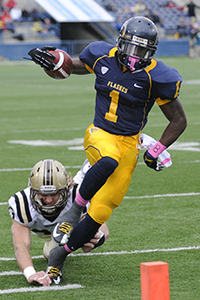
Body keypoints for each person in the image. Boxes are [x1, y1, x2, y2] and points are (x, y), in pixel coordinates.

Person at [27, 16, 187, 283]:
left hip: (129, 144)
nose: (135, 56)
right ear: (120, 42)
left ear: (152, 52)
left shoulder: (158, 77)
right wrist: (54, 61)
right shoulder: (101, 55)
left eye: (142, 51)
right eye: (131, 48)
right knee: (109, 159)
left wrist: (156, 149)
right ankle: (72, 212)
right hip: (100, 134)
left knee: (101, 212)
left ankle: (59, 258)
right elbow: (73, 67)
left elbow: (179, 120)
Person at [8, 159, 109, 286]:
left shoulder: (75, 194)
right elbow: (20, 245)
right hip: (41, 231)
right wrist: (30, 273)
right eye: (43, 194)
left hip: (70, 226)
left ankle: (84, 174)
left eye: (54, 193)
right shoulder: (21, 203)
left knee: (85, 239)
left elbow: (103, 227)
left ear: (65, 190)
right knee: (50, 253)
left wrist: (98, 236)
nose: (49, 199)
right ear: (33, 191)